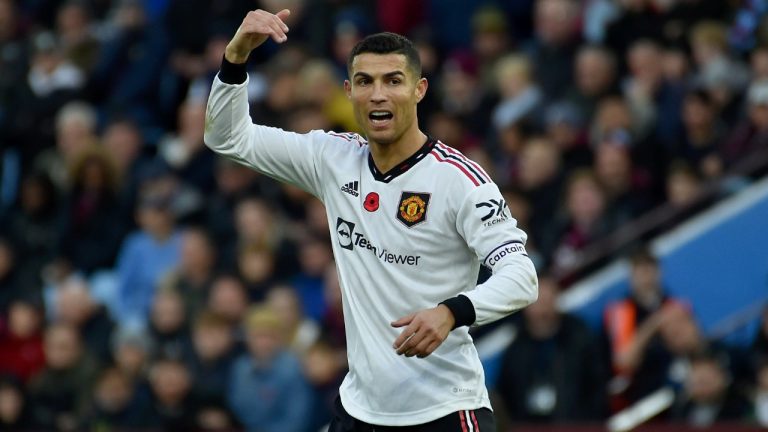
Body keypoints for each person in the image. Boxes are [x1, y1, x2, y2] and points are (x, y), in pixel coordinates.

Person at [205, 9, 538, 430]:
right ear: (348, 91)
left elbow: (523, 277)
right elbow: (227, 137)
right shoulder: (332, 158)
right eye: (365, 82)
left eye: (393, 81)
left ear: (419, 90)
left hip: (444, 411)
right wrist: (235, 58)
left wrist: (453, 311)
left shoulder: (460, 181)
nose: (378, 94)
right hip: (359, 411)